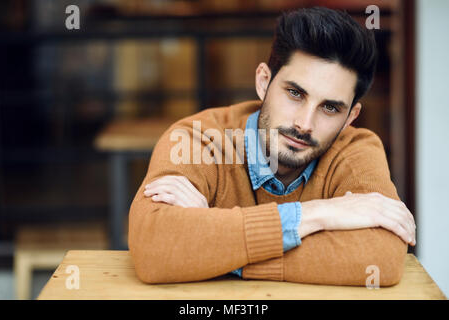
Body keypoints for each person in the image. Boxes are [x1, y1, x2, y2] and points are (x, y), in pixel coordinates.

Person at [128, 7, 416, 286]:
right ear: (264, 82)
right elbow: (154, 247)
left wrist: (212, 248)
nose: (305, 123)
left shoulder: (356, 151)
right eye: (295, 93)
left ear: (350, 118)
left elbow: (381, 260)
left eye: (329, 108)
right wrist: (318, 214)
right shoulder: (197, 139)